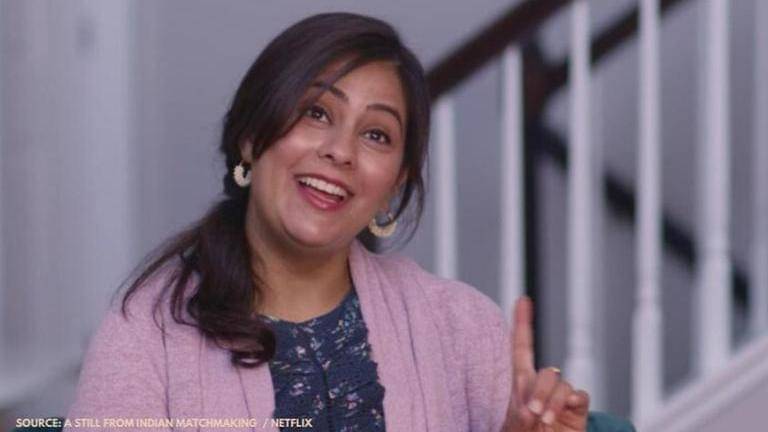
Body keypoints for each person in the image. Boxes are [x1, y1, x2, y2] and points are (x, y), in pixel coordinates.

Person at [63, 12, 632, 432]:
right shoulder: (148, 334)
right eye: (317, 113)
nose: (341, 151)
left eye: (376, 134)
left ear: (396, 183)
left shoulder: (462, 328)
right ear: (251, 136)